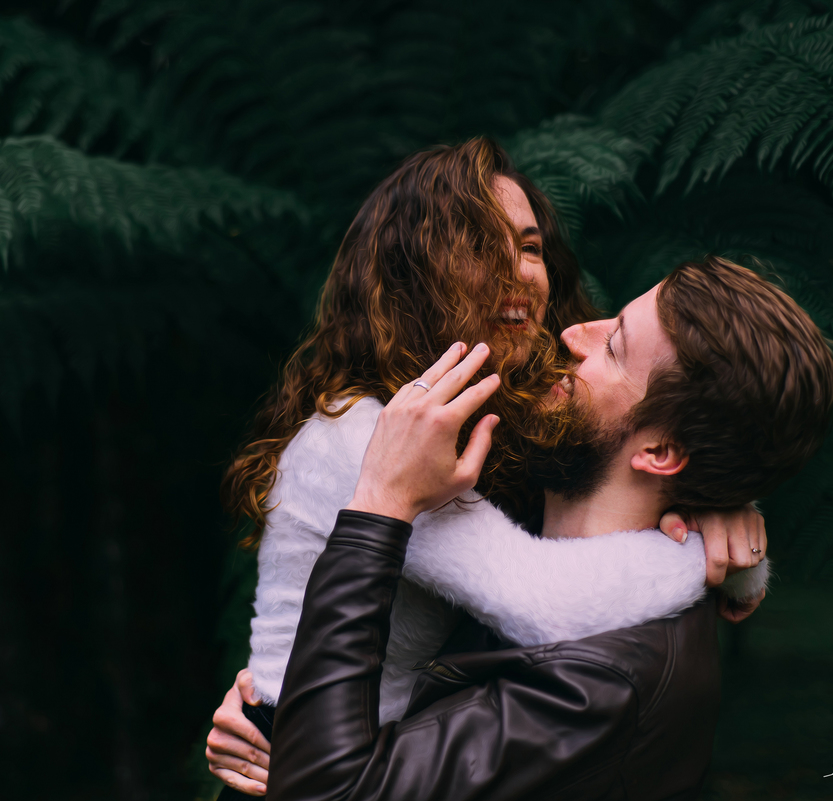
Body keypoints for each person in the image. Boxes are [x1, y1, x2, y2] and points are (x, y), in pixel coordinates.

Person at [209, 140, 767, 796]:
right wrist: (696, 556)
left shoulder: (503, 420)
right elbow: (538, 598)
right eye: (477, 245)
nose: (517, 270)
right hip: (295, 757)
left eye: (530, 247)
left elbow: (631, 462)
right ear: (411, 277)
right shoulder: (372, 436)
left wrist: (717, 499)